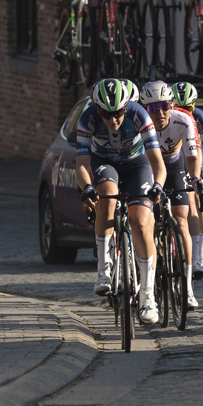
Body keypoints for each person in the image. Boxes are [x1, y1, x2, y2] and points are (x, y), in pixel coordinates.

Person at [74, 78, 166, 323]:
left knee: (140, 222)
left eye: (119, 113)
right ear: (97, 109)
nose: (114, 119)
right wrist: (87, 187)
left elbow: (157, 162)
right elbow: (81, 165)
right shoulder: (88, 118)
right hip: (105, 163)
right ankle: (103, 270)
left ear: (127, 107)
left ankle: (147, 295)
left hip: (138, 164)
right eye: (106, 113)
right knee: (106, 198)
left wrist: (158, 185)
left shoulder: (139, 115)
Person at [139, 80, 201, 310]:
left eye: (165, 106)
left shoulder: (183, 120)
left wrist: (196, 180)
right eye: (153, 108)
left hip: (175, 166)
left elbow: (193, 158)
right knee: (146, 220)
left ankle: (187, 287)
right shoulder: (138, 124)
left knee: (181, 221)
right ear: (145, 109)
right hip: (148, 166)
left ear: (172, 105)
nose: (160, 113)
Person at [172, 81, 203, 277]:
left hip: (194, 155)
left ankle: (199, 254)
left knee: (195, 199)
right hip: (175, 156)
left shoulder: (200, 118)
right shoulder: (168, 116)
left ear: (194, 105)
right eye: (178, 107)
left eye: (188, 108)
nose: (184, 112)